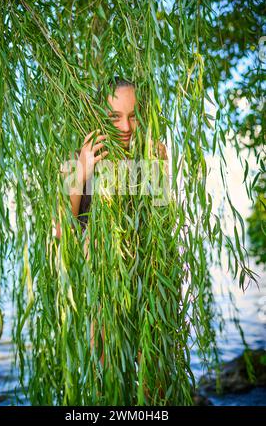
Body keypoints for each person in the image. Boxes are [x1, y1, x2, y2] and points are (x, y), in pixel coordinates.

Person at [55, 77, 169, 399]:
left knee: (154, 386)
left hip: (148, 292)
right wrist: (82, 170)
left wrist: (161, 170)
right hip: (103, 297)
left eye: (132, 116)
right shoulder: (79, 160)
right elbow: (61, 233)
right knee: (105, 384)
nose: (126, 126)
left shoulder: (148, 157)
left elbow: (162, 230)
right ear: (98, 118)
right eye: (115, 117)